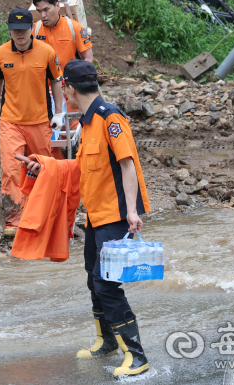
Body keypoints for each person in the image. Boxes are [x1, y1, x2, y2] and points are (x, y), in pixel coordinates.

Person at [27, 59, 151, 377]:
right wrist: (45, 166)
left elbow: (127, 165)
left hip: (115, 216)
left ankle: (137, 356)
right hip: (95, 218)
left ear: (69, 88)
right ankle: (106, 341)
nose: (63, 92)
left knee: (107, 285)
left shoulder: (110, 118)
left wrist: (133, 212)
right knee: (92, 281)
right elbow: (80, 170)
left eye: (63, 87)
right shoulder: (86, 122)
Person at [0, 8, 64, 240]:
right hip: (10, 121)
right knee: (11, 169)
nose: (19, 34)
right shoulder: (0, 54)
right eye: (15, 30)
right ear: (10, 31)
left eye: (23, 30)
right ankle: (14, 218)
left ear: (31, 29)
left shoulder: (47, 52)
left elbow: (57, 82)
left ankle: (46, 212)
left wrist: (59, 113)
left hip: (40, 121)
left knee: (43, 168)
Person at [32, 0, 93, 142]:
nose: (43, 15)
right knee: (47, 134)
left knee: (72, 133)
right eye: (39, 11)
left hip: (68, 90)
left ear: (57, 6)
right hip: (43, 93)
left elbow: (87, 58)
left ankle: (73, 163)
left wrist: (78, 85)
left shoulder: (74, 28)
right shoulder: (34, 30)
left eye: (46, 9)